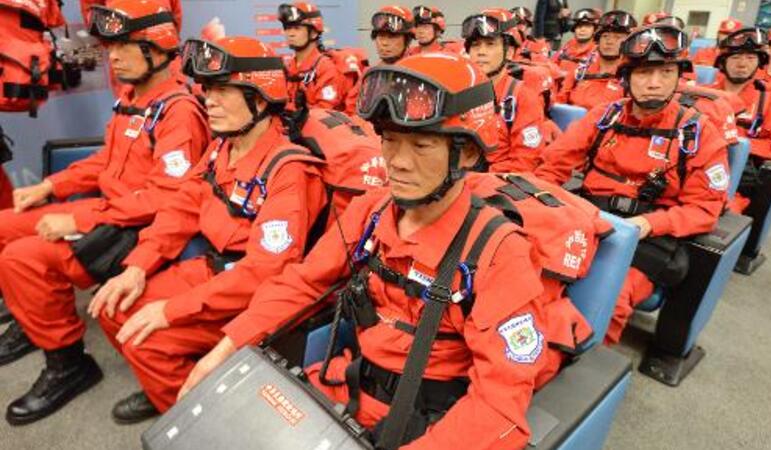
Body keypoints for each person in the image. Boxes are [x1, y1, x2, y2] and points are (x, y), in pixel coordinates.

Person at [180, 53, 564, 450]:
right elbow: (303, 283)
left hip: (431, 424)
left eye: (421, 145)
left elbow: (497, 408)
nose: (397, 162)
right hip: (348, 385)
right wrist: (227, 347)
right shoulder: (372, 211)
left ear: (466, 153)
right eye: (389, 140)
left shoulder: (499, 254)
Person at [86, 36, 333, 423]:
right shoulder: (222, 147)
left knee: (147, 340)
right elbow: (183, 205)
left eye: (221, 91)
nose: (208, 101)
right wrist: (137, 265)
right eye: (206, 90)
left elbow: (263, 274)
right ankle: (169, 387)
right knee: (112, 307)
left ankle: (197, 423)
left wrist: (172, 310)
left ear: (259, 100)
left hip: (250, 295)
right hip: (212, 271)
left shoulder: (289, 171)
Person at [0, 0, 209, 425]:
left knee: (21, 258)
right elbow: (105, 162)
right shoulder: (132, 98)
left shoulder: (179, 113)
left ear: (157, 48)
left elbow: (167, 198)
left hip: (136, 230)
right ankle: (36, 315)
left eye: (123, 46)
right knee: (3, 226)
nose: (112, 56)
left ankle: (67, 364)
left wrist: (76, 220)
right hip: (107, 211)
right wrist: (50, 186)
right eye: (109, 46)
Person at [535, 24, 729, 344]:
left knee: (610, 299)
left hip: (649, 237)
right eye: (643, 73)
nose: (654, 83)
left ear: (678, 77)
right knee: (532, 273)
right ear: (626, 77)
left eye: (665, 72)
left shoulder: (698, 133)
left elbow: (704, 210)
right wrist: (547, 207)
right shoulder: (603, 117)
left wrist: (648, 224)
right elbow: (553, 165)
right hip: (591, 219)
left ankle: (585, 366)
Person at [463, 8, 553, 171]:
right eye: (475, 45)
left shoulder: (524, 98)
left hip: (493, 179)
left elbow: (524, 162)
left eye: (490, 44)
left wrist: (474, 180)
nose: (481, 52)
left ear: (509, 52)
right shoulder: (459, 92)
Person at [711, 27, 771, 213]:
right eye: (736, 57)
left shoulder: (769, 101)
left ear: (759, 63)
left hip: (735, 182)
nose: (742, 64)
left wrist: (736, 143)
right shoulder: (704, 94)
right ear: (722, 62)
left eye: (750, 58)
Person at [556, 10, 636, 110]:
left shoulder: (633, 78)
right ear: (598, 40)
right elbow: (559, 103)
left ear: (629, 43)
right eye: (605, 36)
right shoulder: (579, 72)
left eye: (618, 37)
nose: (610, 41)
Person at [278, 2, 349, 111]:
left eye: (297, 28)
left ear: (314, 33)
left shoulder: (326, 69)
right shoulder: (289, 67)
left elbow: (323, 113)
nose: (290, 33)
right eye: (287, 28)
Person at [552, 8, 600, 74]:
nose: (582, 30)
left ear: (594, 30)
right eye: (579, 26)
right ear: (574, 29)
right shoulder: (567, 47)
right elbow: (552, 63)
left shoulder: (597, 52)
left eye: (587, 26)